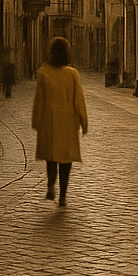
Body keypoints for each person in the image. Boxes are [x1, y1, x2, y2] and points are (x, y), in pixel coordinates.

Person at [32, 37, 88, 207]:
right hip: (68, 123)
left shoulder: (44, 73)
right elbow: (79, 99)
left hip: (49, 120)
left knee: (51, 157)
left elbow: (39, 100)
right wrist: (83, 121)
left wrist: (36, 121)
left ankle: (50, 185)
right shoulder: (72, 74)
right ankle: (63, 195)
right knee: (65, 159)